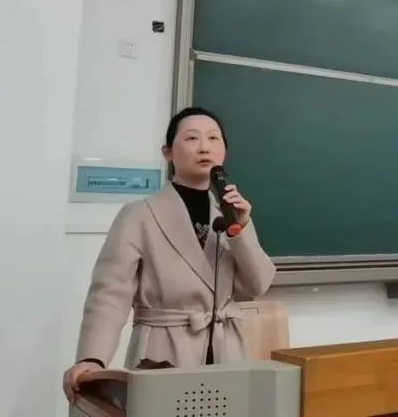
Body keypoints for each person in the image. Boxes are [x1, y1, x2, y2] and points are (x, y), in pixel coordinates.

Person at [62, 107, 276, 404]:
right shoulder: (139, 214)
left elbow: (257, 285)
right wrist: (92, 358)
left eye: (213, 138)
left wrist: (241, 229)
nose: (204, 147)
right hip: (163, 351)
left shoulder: (230, 214)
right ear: (168, 152)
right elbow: (110, 294)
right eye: (192, 138)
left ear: (224, 152)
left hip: (227, 351)